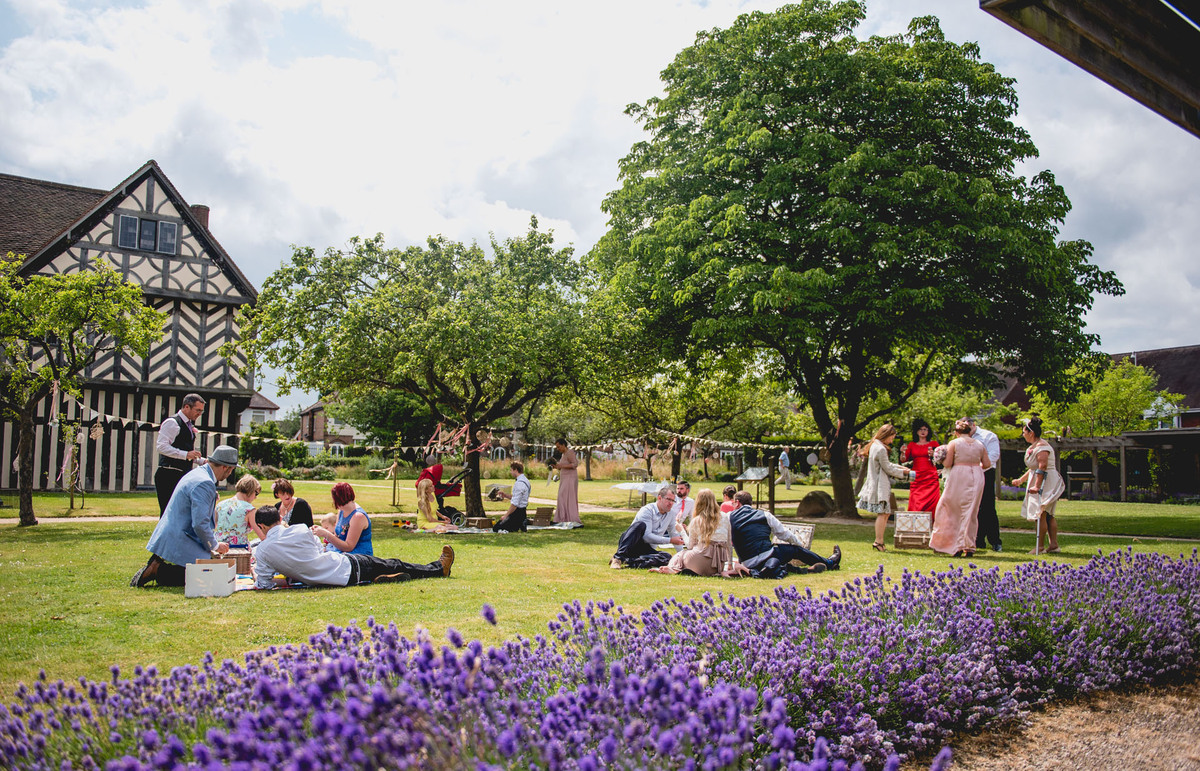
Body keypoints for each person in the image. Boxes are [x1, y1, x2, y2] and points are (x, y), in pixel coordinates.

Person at [252, 506, 454, 589]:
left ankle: (384, 578)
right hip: (347, 566)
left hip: (334, 580)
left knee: (386, 567)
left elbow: (263, 583)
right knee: (394, 563)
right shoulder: (300, 530)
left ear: (261, 526)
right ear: (280, 518)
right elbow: (317, 550)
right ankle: (438, 568)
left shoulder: (262, 551)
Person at [131, 444, 238, 587]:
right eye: (231, 470)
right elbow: (200, 523)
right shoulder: (205, 483)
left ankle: (157, 564)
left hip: (175, 531)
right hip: (181, 535)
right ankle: (158, 570)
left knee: (203, 573)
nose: (230, 474)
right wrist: (215, 545)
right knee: (203, 577)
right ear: (226, 467)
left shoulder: (199, 473)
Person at [728, 490, 841, 578]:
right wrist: (798, 545)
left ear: (737, 503)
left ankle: (802, 570)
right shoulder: (765, 515)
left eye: (733, 503)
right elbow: (784, 534)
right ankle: (830, 563)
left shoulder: (729, 517)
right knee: (794, 551)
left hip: (747, 563)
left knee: (776, 562)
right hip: (767, 554)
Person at [929, 419, 992, 557]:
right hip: (976, 475)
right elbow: (987, 464)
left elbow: (948, 463)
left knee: (951, 508)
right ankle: (968, 546)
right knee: (971, 511)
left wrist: (939, 458)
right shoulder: (979, 444)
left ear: (956, 432)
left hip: (959, 474)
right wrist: (974, 466)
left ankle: (955, 546)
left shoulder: (954, 443)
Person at [857, 424, 917, 552]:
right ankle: (878, 541)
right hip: (880, 485)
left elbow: (887, 464)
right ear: (887, 435)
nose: (892, 440)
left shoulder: (875, 445)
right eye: (892, 437)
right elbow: (888, 468)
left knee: (885, 512)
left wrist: (901, 468)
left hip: (876, 483)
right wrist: (905, 473)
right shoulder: (881, 449)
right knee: (883, 513)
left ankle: (879, 541)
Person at [650, 489, 732, 576]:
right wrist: (729, 564)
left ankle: (673, 568)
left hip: (699, 561)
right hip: (717, 565)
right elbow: (729, 543)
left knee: (681, 554)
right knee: (686, 553)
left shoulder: (697, 520)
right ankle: (675, 569)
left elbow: (690, 546)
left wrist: (681, 530)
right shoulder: (724, 517)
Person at [1015, 417, 1065, 554]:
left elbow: (1042, 467)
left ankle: (1040, 546)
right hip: (1040, 478)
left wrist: (1037, 486)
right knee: (1047, 514)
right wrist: (1021, 480)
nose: (1023, 434)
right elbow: (1033, 468)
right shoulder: (1034, 446)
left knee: (1041, 513)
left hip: (1046, 481)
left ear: (1031, 433)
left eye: (1024, 432)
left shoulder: (1042, 447)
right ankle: (1053, 545)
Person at [610, 483, 685, 569]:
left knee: (667, 557)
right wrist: (670, 540)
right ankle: (618, 558)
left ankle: (631, 561)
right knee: (640, 525)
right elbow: (647, 537)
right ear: (659, 498)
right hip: (632, 544)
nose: (671, 503)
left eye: (673, 501)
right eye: (668, 499)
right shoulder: (647, 510)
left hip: (647, 549)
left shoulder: (671, 514)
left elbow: (674, 534)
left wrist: (682, 556)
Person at [154, 393, 205, 515]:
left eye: (201, 411)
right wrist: (186, 454)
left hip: (181, 474)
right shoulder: (172, 422)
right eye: (197, 410)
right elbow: (161, 447)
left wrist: (201, 461)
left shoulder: (188, 425)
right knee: (168, 513)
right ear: (186, 407)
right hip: (168, 474)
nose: (199, 414)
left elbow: (185, 452)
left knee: (180, 513)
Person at [969, 416, 1003, 552]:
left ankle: (995, 540)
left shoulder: (988, 436)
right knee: (973, 507)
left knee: (987, 506)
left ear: (973, 425)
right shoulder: (960, 439)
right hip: (967, 473)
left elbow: (994, 455)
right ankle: (977, 539)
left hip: (985, 472)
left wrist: (978, 467)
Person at [312, 482, 372, 556]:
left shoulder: (358, 517)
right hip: (340, 551)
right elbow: (337, 536)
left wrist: (326, 534)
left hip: (357, 555)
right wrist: (323, 530)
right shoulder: (341, 511)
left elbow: (349, 547)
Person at [902, 419, 941, 515]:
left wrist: (933, 455)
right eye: (920, 429)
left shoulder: (934, 444)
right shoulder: (911, 445)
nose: (923, 431)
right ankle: (915, 522)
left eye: (925, 429)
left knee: (932, 501)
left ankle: (932, 522)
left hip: (930, 476)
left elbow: (941, 460)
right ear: (916, 431)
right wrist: (902, 452)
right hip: (917, 476)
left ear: (928, 431)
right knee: (915, 499)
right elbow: (904, 460)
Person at [213, 474, 262, 547]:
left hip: (218, 547)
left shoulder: (220, 505)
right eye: (256, 494)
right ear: (251, 490)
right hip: (238, 549)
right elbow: (261, 535)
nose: (255, 497)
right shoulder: (249, 509)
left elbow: (213, 526)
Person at [494, 461, 530, 532]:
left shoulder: (519, 484)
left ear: (516, 470)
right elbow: (519, 497)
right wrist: (505, 495)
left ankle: (519, 524)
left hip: (518, 512)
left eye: (511, 470)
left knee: (496, 528)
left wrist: (505, 516)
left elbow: (515, 504)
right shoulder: (526, 481)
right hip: (523, 511)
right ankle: (521, 523)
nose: (510, 472)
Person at [552, 439, 581, 524]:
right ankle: (562, 517)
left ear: (564, 445)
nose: (558, 448)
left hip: (570, 478)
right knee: (562, 497)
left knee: (566, 497)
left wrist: (562, 465)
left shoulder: (570, 452)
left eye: (559, 446)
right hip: (564, 478)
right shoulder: (563, 455)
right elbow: (563, 466)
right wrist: (556, 466)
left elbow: (575, 464)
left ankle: (571, 517)